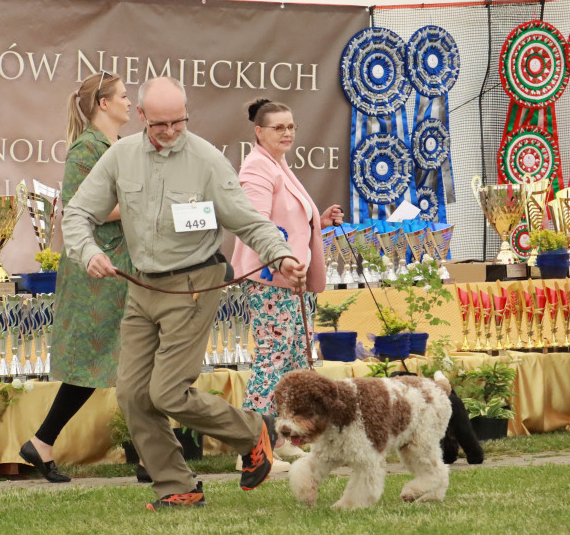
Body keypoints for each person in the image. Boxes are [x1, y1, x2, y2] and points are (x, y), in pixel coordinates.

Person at [62, 76, 307, 510]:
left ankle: (255, 432)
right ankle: (177, 484)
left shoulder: (207, 159)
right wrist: (87, 252)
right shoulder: (120, 156)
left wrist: (281, 254)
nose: (171, 131)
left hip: (195, 283)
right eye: (160, 124)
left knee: (168, 391)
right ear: (141, 117)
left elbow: (248, 220)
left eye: (179, 121)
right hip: (143, 286)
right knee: (133, 393)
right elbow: (78, 211)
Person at [18, 72, 134, 482]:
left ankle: (45, 443)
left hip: (119, 267)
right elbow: (83, 207)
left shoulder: (117, 147)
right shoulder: (87, 148)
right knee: (101, 361)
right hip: (95, 272)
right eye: (123, 96)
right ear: (103, 103)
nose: (129, 102)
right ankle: (46, 441)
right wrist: (143, 204)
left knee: (125, 361)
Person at [230, 99, 343, 467]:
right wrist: (282, 259)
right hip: (270, 282)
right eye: (278, 127)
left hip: (291, 282)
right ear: (259, 132)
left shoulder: (278, 165)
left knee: (292, 364)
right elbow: (256, 225)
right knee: (271, 365)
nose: (287, 133)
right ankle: (252, 451)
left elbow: (289, 224)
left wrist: (319, 222)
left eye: (291, 126)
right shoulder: (257, 169)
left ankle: (281, 440)